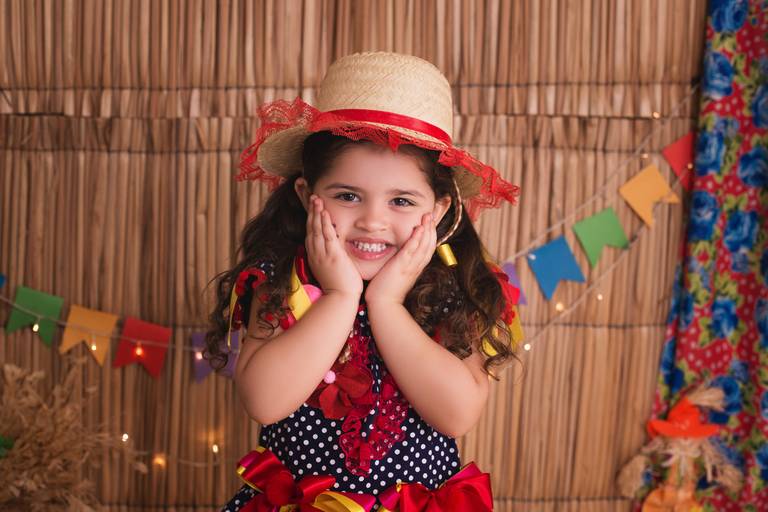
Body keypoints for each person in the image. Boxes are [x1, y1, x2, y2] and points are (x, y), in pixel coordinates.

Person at [207, 51, 522, 511]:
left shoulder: (454, 289)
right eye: (348, 196)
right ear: (307, 195)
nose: (373, 221)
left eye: (401, 201)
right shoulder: (280, 280)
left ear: (438, 210)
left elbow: (457, 415)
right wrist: (340, 296)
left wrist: (387, 305)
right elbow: (264, 400)